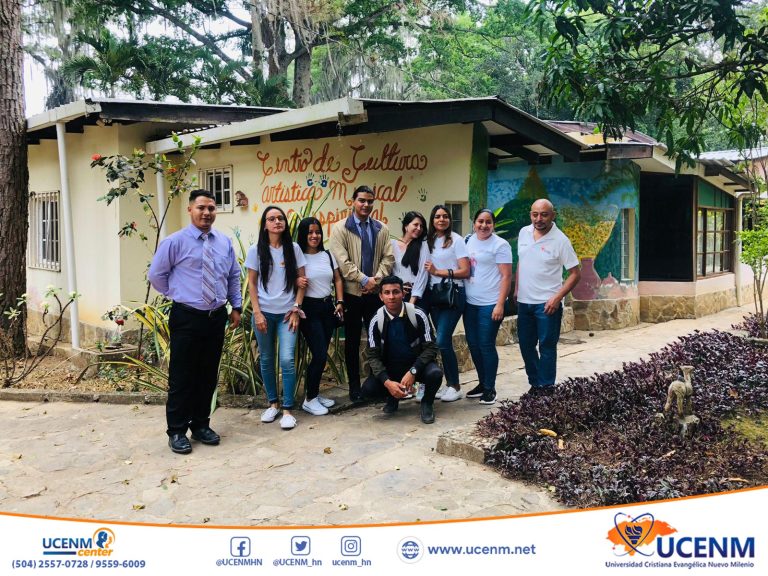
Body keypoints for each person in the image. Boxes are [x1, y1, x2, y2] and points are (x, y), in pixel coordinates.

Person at [148, 189, 242, 455]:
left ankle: (201, 425)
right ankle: (176, 430)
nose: (207, 213)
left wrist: (236, 306)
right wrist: (176, 293)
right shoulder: (175, 242)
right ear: (190, 210)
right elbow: (156, 275)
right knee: (182, 376)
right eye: (201, 207)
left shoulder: (224, 242)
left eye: (211, 208)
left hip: (215, 317)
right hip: (187, 316)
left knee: (207, 375)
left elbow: (233, 276)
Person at [328, 185, 394, 402]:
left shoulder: (381, 228)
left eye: (369, 201)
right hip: (352, 294)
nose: (366, 205)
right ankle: (355, 388)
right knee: (353, 341)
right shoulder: (340, 229)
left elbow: (388, 258)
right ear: (353, 201)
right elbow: (342, 263)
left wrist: (376, 280)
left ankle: (379, 383)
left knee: (378, 339)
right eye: (362, 200)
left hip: (375, 294)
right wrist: (365, 280)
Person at [246, 205, 307, 430]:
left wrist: (296, 308)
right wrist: (257, 312)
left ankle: (288, 409)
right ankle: (273, 404)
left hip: (287, 314)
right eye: (272, 219)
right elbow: (251, 282)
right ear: (265, 225)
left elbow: (303, 281)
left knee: (287, 359)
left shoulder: (294, 249)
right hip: (263, 314)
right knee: (266, 359)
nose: (277, 222)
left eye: (280, 218)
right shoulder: (256, 250)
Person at [515, 198, 581, 395]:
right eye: (535, 214)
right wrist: (517, 288)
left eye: (544, 214)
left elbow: (576, 274)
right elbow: (522, 261)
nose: (539, 219)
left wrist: (556, 297)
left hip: (547, 304)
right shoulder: (523, 233)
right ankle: (536, 384)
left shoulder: (561, 240)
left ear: (553, 215)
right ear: (530, 215)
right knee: (526, 346)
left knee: (547, 348)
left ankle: (546, 390)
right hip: (524, 302)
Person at [362, 275, 442, 424]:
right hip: (392, 369)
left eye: (396, 292)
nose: (391, 297)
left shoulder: (418, 314)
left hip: (416, 366)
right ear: (381, 296)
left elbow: (431, 347)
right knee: (368, 389)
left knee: (435, 374)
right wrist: (387, 382)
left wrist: (413, 371)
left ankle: (427, 403)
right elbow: (372, 356)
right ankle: (393, 397)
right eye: (387, 293)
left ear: (403, 294)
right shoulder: (376, 320)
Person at [463, 208, 513, 405]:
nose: (483, 226)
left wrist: (500, 304)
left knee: (486, 344)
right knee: (473, 345)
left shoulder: (500, 245)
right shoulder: (467, 241)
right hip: (470, 303)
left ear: (493, 224)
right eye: (480, 221)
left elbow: (507, 276)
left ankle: (490, 388)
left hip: (490, 304)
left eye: (488, 222)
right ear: (474, 222)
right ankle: (482, 383)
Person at [296, 217, 345, 416]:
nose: (314, 236)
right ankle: (309, 399)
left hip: (327, 307)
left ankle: (314, 394)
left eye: (317, 232)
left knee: (322, 352)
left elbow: (338, 279)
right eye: (310, 232)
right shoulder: (298, 257)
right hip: (308, 309)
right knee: (318, 354)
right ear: (303, 235)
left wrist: (340, 302)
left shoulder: (328, 255)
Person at [424, 205, 470, 403]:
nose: (441, 219)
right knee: (442, 342)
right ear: (432, 220)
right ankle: (448, 384)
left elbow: (465, 270)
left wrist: (439, 272)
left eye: (445, 216)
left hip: (453, 295)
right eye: (437, 216)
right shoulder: (430, 240)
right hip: (435, 296)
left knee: (442, 340)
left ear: (449, 219)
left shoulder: (457, 241)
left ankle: (455, 386)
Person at [391, 211, 430, 308]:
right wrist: (397, 287)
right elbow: (389, 271)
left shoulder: (423, 246)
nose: (419, 228)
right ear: (406, 226)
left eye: (421, 226)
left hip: (417, 297)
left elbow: (423, 274)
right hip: (397, 294)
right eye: (416, 225)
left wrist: (412, 301)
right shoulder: (392, 244)